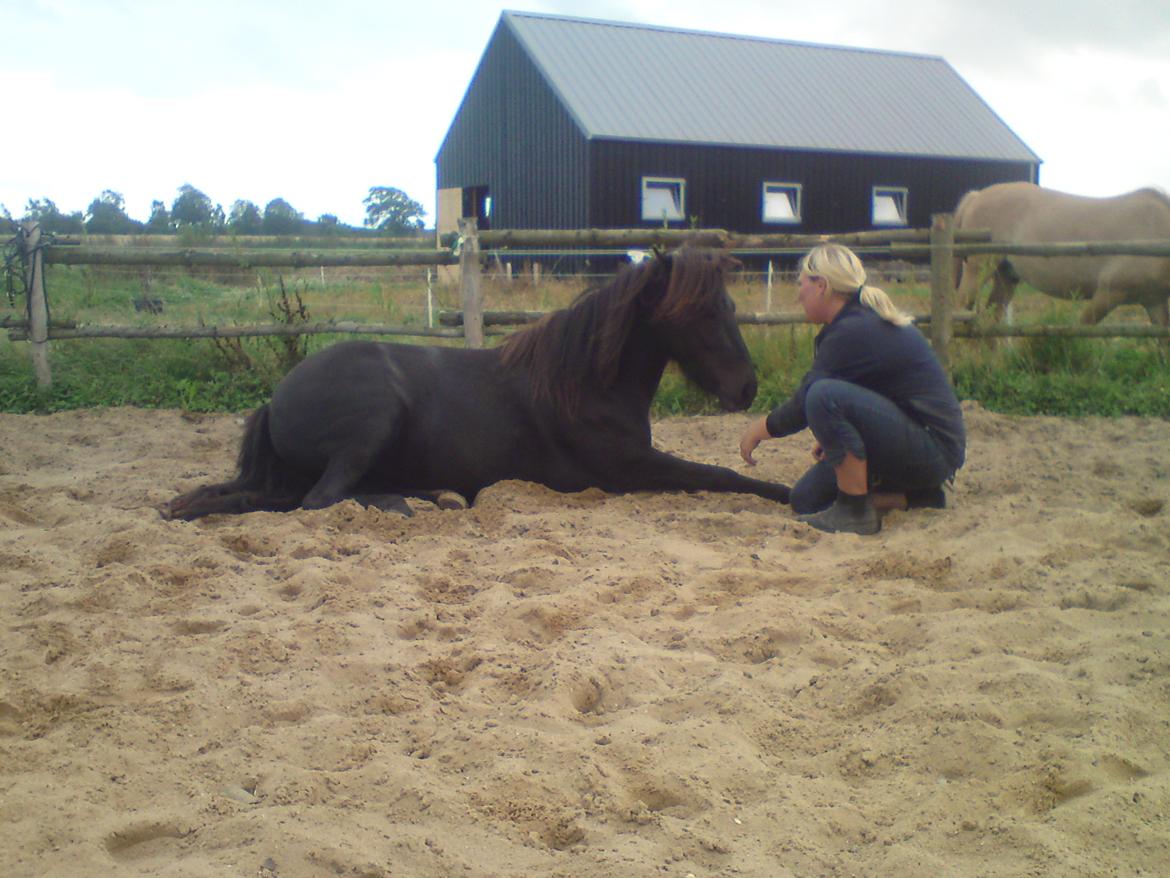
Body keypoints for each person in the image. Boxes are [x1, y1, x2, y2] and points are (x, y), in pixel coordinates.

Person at [739, 244, 965, 535]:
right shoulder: (857, 322)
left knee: (823, 394)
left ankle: (854, 513)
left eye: (801, 284)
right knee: (806, 499)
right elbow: (875, 392)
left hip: (934, 450)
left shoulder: (853, 330)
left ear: (821, 286)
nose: (798, 294)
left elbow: (805, 403)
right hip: (917, 443)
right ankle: (925, 497)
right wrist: (843, 435)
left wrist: (760, 429)